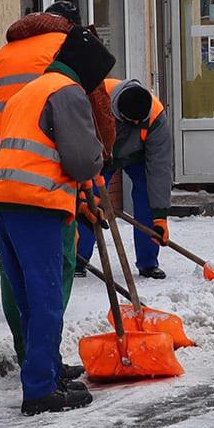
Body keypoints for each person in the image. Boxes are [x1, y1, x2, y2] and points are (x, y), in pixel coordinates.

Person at [0, 38, 107, 415]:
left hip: (6, 199)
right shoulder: (67, 93)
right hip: (38, 203)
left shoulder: (30, 89)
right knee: (46, 296)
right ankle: (39, 390)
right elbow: (83, 160)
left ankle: (46, 371)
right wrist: (97, 161)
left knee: (26, 294)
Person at [77, 79, 174, 279]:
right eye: (132, 122)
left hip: (137, 155)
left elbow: (160, 169)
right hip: (100, 156)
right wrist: (81, 188)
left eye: (140, 122)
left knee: (148, 195)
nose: (137, 125)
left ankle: (148, 262)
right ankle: (78, 259)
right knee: (89, 202)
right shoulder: (97, 101)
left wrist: (160, 216)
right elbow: (79, 145)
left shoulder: (156, 117)